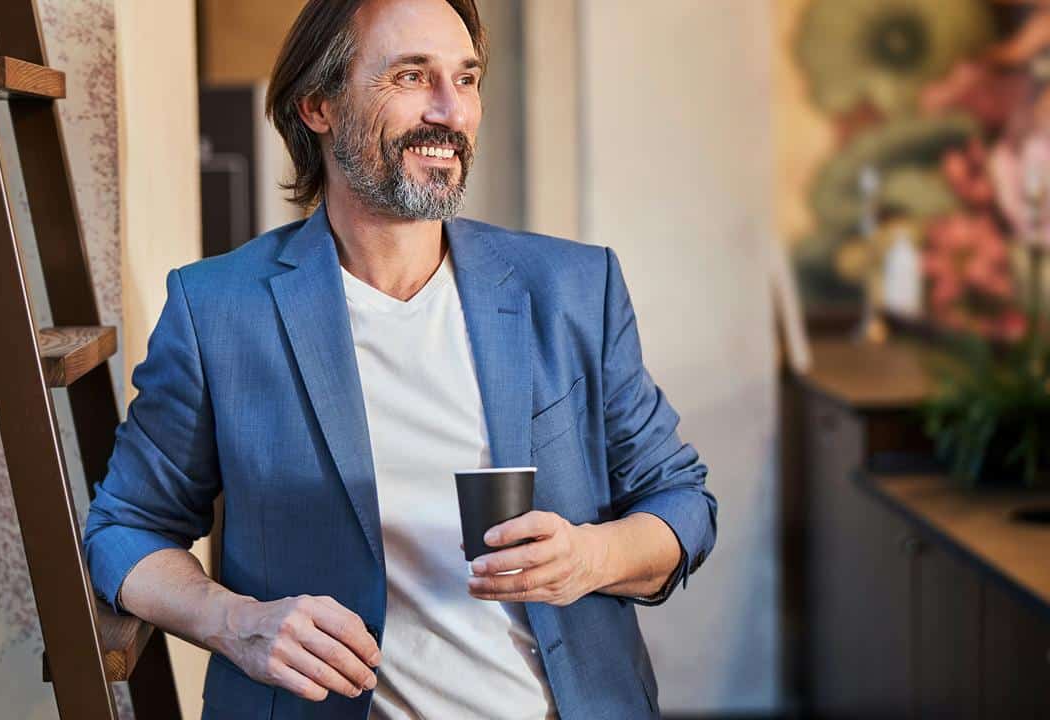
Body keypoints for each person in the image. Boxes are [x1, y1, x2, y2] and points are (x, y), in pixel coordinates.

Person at [83, 0, 717, 717]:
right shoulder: (219, 311)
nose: (450, 111)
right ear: (318, 104)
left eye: (467, 79)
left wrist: (588, 558)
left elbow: (682, 503)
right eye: (412, 76)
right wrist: (235, 624)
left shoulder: (572, 288)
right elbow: (124, 529)